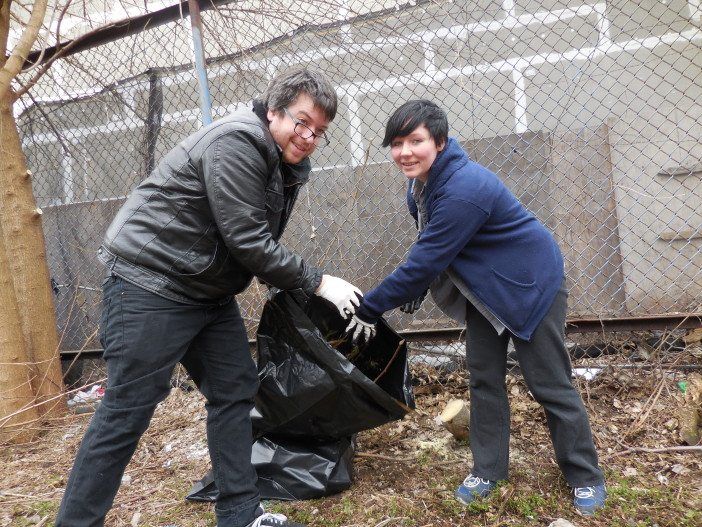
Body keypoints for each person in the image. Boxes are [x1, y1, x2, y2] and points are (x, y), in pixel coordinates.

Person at [56, 67, 362, 527]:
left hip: (206, 292)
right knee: (128, 408)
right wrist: (318, 282)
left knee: (235, 390)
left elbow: (251, 239)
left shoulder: (281, 159)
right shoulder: (236, 143)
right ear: (273, 110)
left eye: (320, 131)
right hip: (152, 284)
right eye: (302, 122)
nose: (310, 137)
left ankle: (239, 513)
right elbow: (248, 239)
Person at [346, 100, 607, 515]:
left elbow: (426, 258)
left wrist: (370, 307)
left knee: (550, 385)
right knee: (484, 380)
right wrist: (420, 278)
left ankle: (585, 477)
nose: (405, 152)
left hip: (530, 287)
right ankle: (488, 470)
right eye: (397, 143)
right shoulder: (423, 183)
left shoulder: (465, 188)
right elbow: (432, 244)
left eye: (416, 141)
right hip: (488, 292)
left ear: (441, 142)